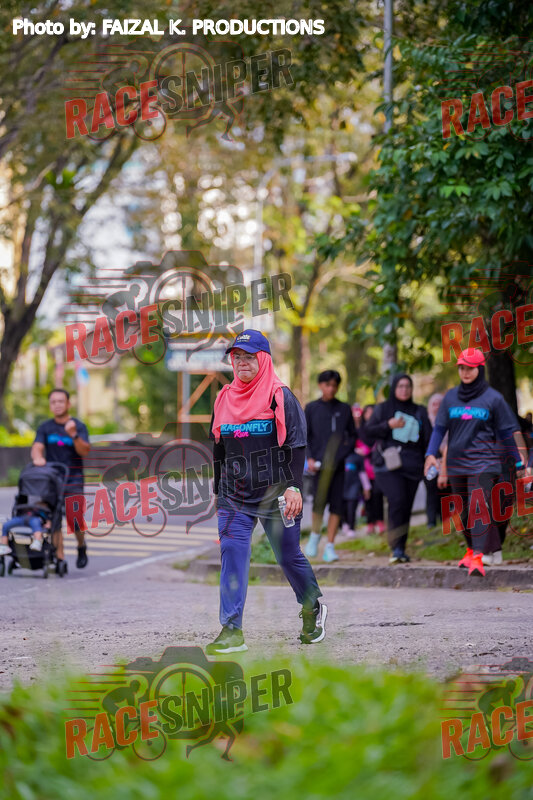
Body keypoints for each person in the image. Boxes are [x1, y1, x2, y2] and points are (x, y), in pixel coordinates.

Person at [208, 329, 326, 654]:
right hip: (235, 495)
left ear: (264, 359)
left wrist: (294, 487)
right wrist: (218, 491)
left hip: (277, 494)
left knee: (287, 555)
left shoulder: (280, 396)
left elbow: (297, 445)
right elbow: (219, 449)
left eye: (249, 357)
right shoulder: (223, 397)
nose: (242, 363)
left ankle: (312, 606)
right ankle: (232, 630)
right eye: (237, 357)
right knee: (232, 554)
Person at [424, 348, 529, 577]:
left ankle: (480, 556)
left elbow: (507, 432)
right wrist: (430, 454)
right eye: (462, 368)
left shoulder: (493, 398)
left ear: (480, 369)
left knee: (477, 506)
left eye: (470, 368)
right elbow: (439, 429)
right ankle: (471, 549)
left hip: (484, 462)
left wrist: (519, 464)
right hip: (456, 463)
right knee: (462, 511)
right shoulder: (450, 397)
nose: (465, 372)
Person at [365, 374, 432, 563]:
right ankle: (395, 547)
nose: (404, 390)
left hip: (413, 466)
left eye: (407, 386)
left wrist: (430, 460)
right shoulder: (383, 409)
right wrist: (388, 425)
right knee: (397, 500)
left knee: (406, 506)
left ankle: (401, 548)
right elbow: (367, 432)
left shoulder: (419, 411)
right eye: (400, 386)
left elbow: (428, 438)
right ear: (394, 388)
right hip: (388, 466)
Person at [31, 389, 91, 569]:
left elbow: (84, 451)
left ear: (68, 404)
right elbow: (37, 447)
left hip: (74, 480)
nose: (57, 405)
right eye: (53, 402)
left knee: (75, 520)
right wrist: (37, 458)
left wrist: (73, 434)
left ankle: (81, 546)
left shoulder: (78, 426)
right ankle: (60, 558)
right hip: (52, 480)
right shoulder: (45, 427)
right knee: (54, 519)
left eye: (60, 401)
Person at [304, 370, 357, 562]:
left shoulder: (344, 409)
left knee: (337, 506)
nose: (331, 389)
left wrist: (342, 454)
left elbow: (353, 436)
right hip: (318, 467)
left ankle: (330, 546)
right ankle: (314, 537)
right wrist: (309, 458)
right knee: (318, 505)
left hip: (338, 466)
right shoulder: (311, 408)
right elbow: (305, 436)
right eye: (328, 385)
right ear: (320, 385)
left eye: (334, 385)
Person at [357, 404, 385, 534]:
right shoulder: (359, 431)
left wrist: (369, 450)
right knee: (367, 495)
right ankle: (370, 522)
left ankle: (380, 521)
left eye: (372, 412)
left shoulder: (380, 429)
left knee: (378, 495)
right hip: (363, 469)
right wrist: (362, 451)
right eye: (367, 413)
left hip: (378, 466)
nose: (370, 415)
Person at [425, 393, 446, 529]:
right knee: (431, 491)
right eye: (434, 404)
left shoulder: (449, 421)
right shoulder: (426, 422)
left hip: (446, 461)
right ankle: (431, 521)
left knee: (445, 490)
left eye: (440, 404)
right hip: (431, 462)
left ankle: (445, 519)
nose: (437, 407)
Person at [341, 449, 371, 537]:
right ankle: (345, 524)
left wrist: (366, 487)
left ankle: (351, 528)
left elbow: (362, 473)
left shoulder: (357, 457)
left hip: (354, 486)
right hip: (342, 486)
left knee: (352, 508)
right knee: (342, 508)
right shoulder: (340, 456)